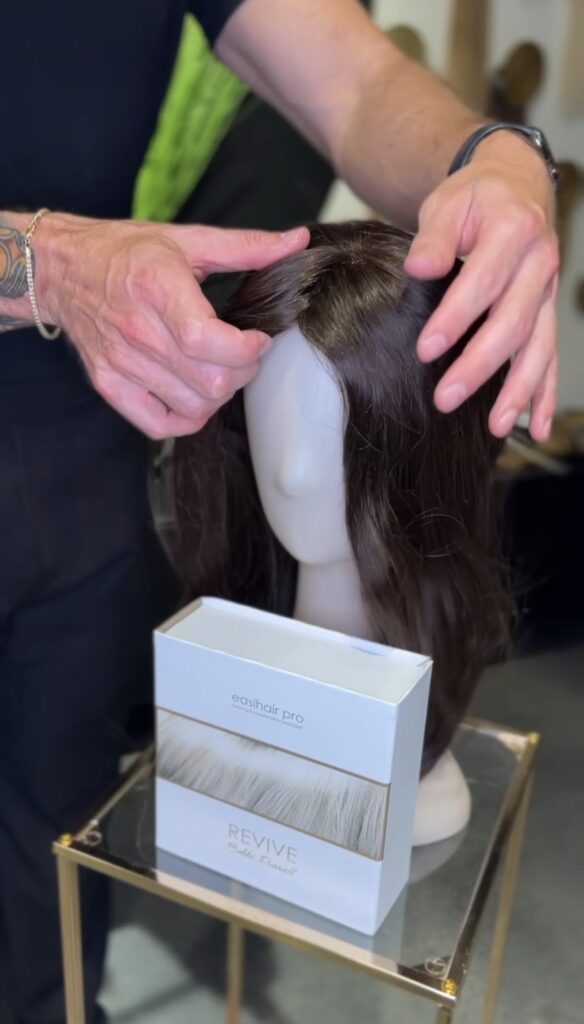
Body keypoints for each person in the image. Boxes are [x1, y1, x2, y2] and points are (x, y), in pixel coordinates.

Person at [0, 2, 559, 1023]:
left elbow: (354, 83)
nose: (293, 471)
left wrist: (500, 161)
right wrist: (39, 262)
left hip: (80, 457)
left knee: (51, 874)